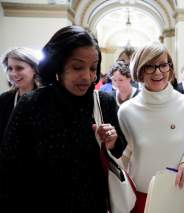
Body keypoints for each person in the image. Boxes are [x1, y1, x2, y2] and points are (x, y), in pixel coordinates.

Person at [0, 25, 127, 213]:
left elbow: (118, 150)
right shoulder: (31, 104)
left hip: (93, 204)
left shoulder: (103, 102)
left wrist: (112, 140)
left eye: (93, 68)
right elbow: (9, 168)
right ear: (57, 65)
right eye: (77, 67)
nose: (88, 76)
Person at [118, 41, 184, 213]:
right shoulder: (126, 111)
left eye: (163, 65)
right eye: (150, 66)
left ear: (170, 68)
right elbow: (122, 158)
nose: (158, 72)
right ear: (139, 70)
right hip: (141, 195)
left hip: (180, 193)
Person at [0, 47, 39, 143]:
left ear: (34, 69)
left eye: (19, 68)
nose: (13, 73)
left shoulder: (47, 98)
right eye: (10, 68)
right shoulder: (4, 99)